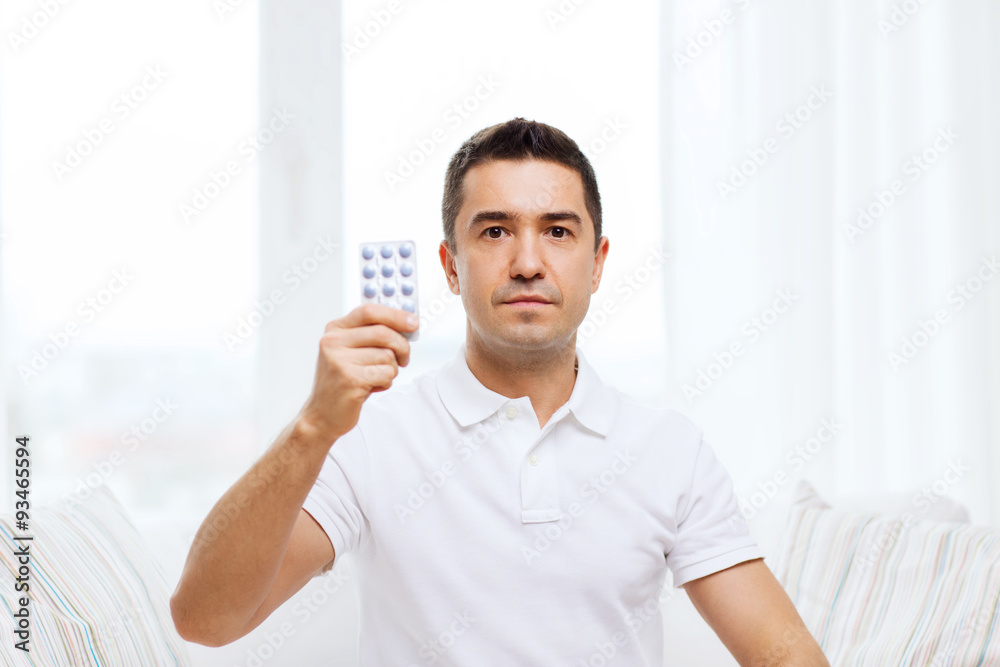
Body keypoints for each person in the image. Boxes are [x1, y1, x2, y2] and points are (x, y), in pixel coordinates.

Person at [171, 117, 829, 665]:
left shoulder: (669, 450)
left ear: (597, 263)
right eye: (494, 231)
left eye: (558, 231)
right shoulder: (368, 436)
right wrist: (314, 426)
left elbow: (785, 657)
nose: (528, 263)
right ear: (450, 267)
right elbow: (204, 619)